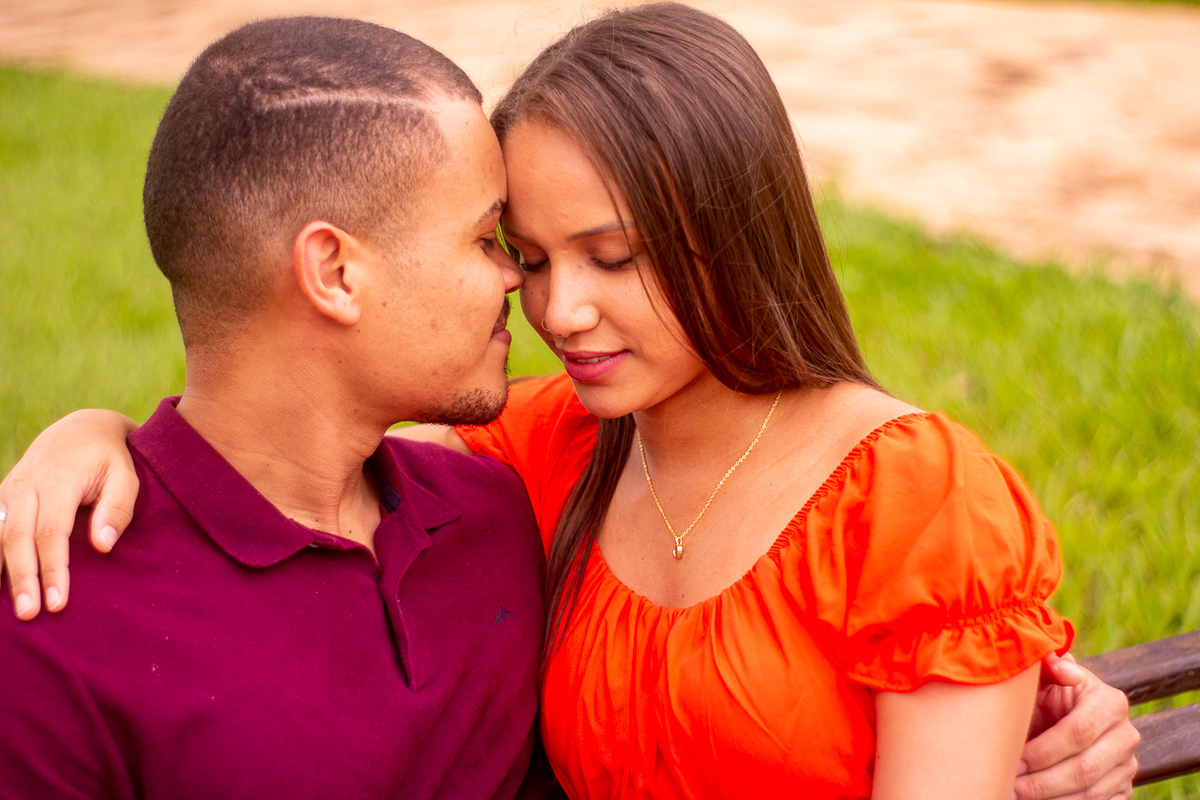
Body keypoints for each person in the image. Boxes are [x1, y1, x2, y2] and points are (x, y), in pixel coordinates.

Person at [0, 5, 1139, 800]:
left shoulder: (907, 496)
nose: (551, 305)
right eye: (523, 252)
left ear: (733, 229)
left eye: (612, 255)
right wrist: (98, 435)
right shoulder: (542, 452)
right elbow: (273, 438)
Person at [0, 17, 547, 799]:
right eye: (486, 238)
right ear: (334, 273)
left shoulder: (499, 517)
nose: (515, 276)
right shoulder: (49, 611)